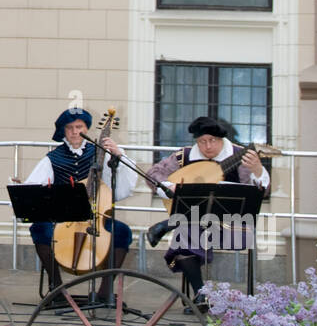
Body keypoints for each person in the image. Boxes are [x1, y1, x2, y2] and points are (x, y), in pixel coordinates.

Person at [145, 115, 270, 308]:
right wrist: (171, 187)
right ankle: (201, 294)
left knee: (190, 223)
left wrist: (258, 170)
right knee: (184, 235)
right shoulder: (183, 156)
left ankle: (167, 225)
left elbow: (259, 192)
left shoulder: (241, 157)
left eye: (213, 141)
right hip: (195, 229)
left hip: (231, 227)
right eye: (202, 142)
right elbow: (153, 176)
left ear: (221, 140)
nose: (208, 146)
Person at [23, 107, 137, 303]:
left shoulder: (101, 152)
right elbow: (32, 188)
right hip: (63, 219)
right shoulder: (53, 158)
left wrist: (118, 155)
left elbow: (122, 188)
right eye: (70, 128)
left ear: (87, 128)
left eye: (80, 127)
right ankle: (56, 288)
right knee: (40, 229)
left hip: (96, 218)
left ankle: (105, 291)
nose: (75, 132)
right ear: (63, 131)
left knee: (122, 232)